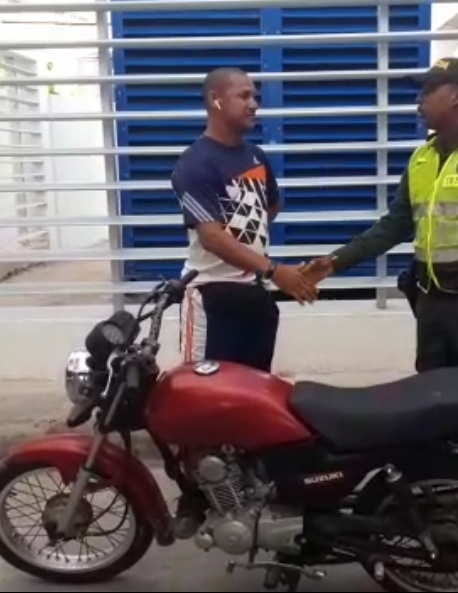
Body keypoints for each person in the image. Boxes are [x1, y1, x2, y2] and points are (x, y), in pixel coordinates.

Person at [301, 57, 458, 372]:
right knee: (431, 392)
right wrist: (336, 261)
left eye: (429, 91)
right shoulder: (422, 157)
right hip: (431, 300)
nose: (419, 100)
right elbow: (394, 225)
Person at [168, 67, 317, 537]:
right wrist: (273, 269)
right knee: (197, 404)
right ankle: (194, 498)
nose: (254, 104)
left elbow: (271, 206)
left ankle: (248, 489)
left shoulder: (255, 156)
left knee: (251, 403)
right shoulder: (194, 164)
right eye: (244, 96)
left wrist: (258, 265)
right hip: (211, 299)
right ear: (216, 100)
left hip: (253, 298)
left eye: (255, 96)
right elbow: (211, 237)